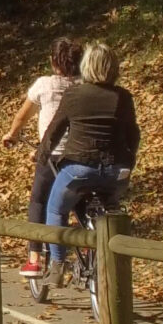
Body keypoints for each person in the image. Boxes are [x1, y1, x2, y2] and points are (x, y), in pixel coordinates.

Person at [38, 41, 140, 284]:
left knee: (56, 209)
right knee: (111, 209)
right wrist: (129, 160)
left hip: (79, 169)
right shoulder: (123, 97)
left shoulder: (74, 94)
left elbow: (55, 131)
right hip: (117, 171)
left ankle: (58, 263)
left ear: (87, 66)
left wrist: (43, 155)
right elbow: (133, 134)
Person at [6, 39, 84, 279]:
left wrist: (12, 134)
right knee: (80, 200)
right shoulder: (85, 85)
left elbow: (22, 116)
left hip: (51, 154)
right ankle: (89, 243)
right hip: (80, 153)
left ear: (53, 62)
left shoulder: (44, 85)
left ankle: (35, 258)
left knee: (38, 201)